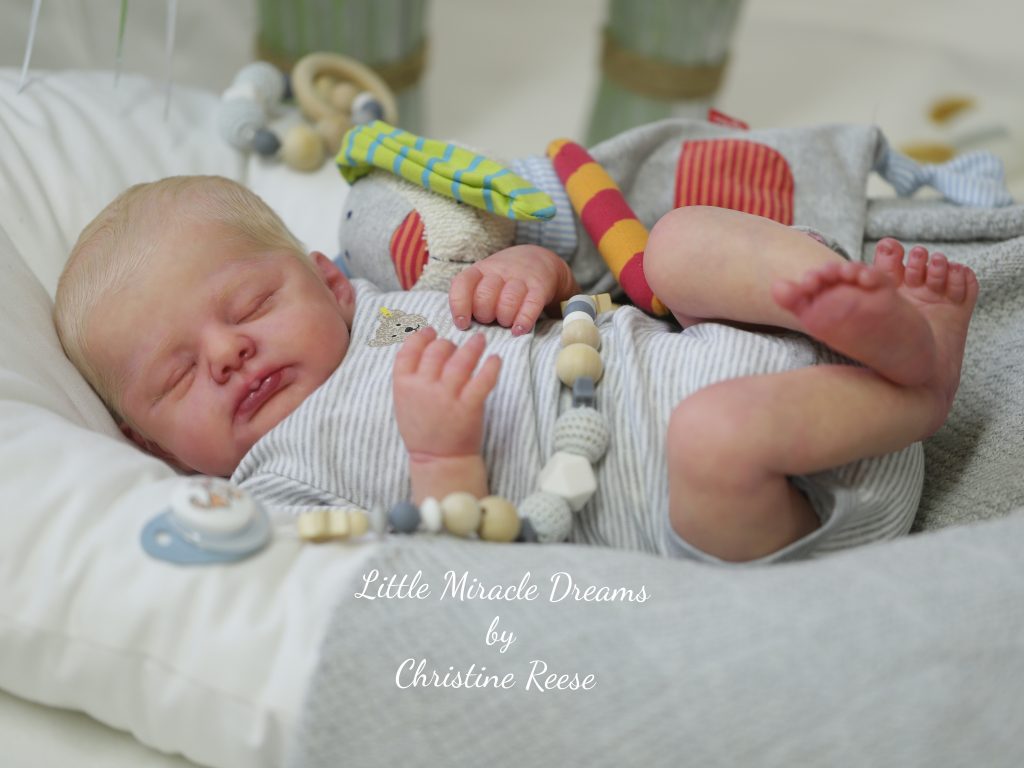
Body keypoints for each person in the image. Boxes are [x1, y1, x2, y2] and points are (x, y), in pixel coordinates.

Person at [54, 176, 977, 563]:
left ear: (330, 283)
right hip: (765, 506)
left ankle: (853, 320)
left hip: (738, 351)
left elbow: (573, 305)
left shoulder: (395, 307)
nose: (227, 354)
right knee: (712, 433)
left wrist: (532, 273)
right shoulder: (278, 485)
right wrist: (443, 461)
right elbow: (436, 583)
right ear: (153, 447)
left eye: (251, 305)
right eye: (178, 377)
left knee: (677, 244)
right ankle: (918, 391)